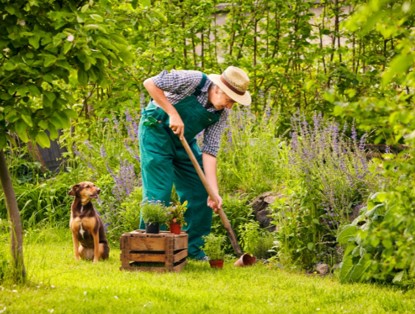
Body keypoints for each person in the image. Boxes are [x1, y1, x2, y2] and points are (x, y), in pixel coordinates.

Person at [138, 66, 251, 260]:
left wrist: (213, 192)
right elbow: (150, 83)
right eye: (230, 100)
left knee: (201, 191)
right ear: (217, 89)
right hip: (155, 131)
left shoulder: (220, 114)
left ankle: (192, 249)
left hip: (183, 140)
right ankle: (150, 251)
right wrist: (172, 113)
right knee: (159, 193)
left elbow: (210, 151)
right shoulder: (193, 80)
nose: (230, 106)